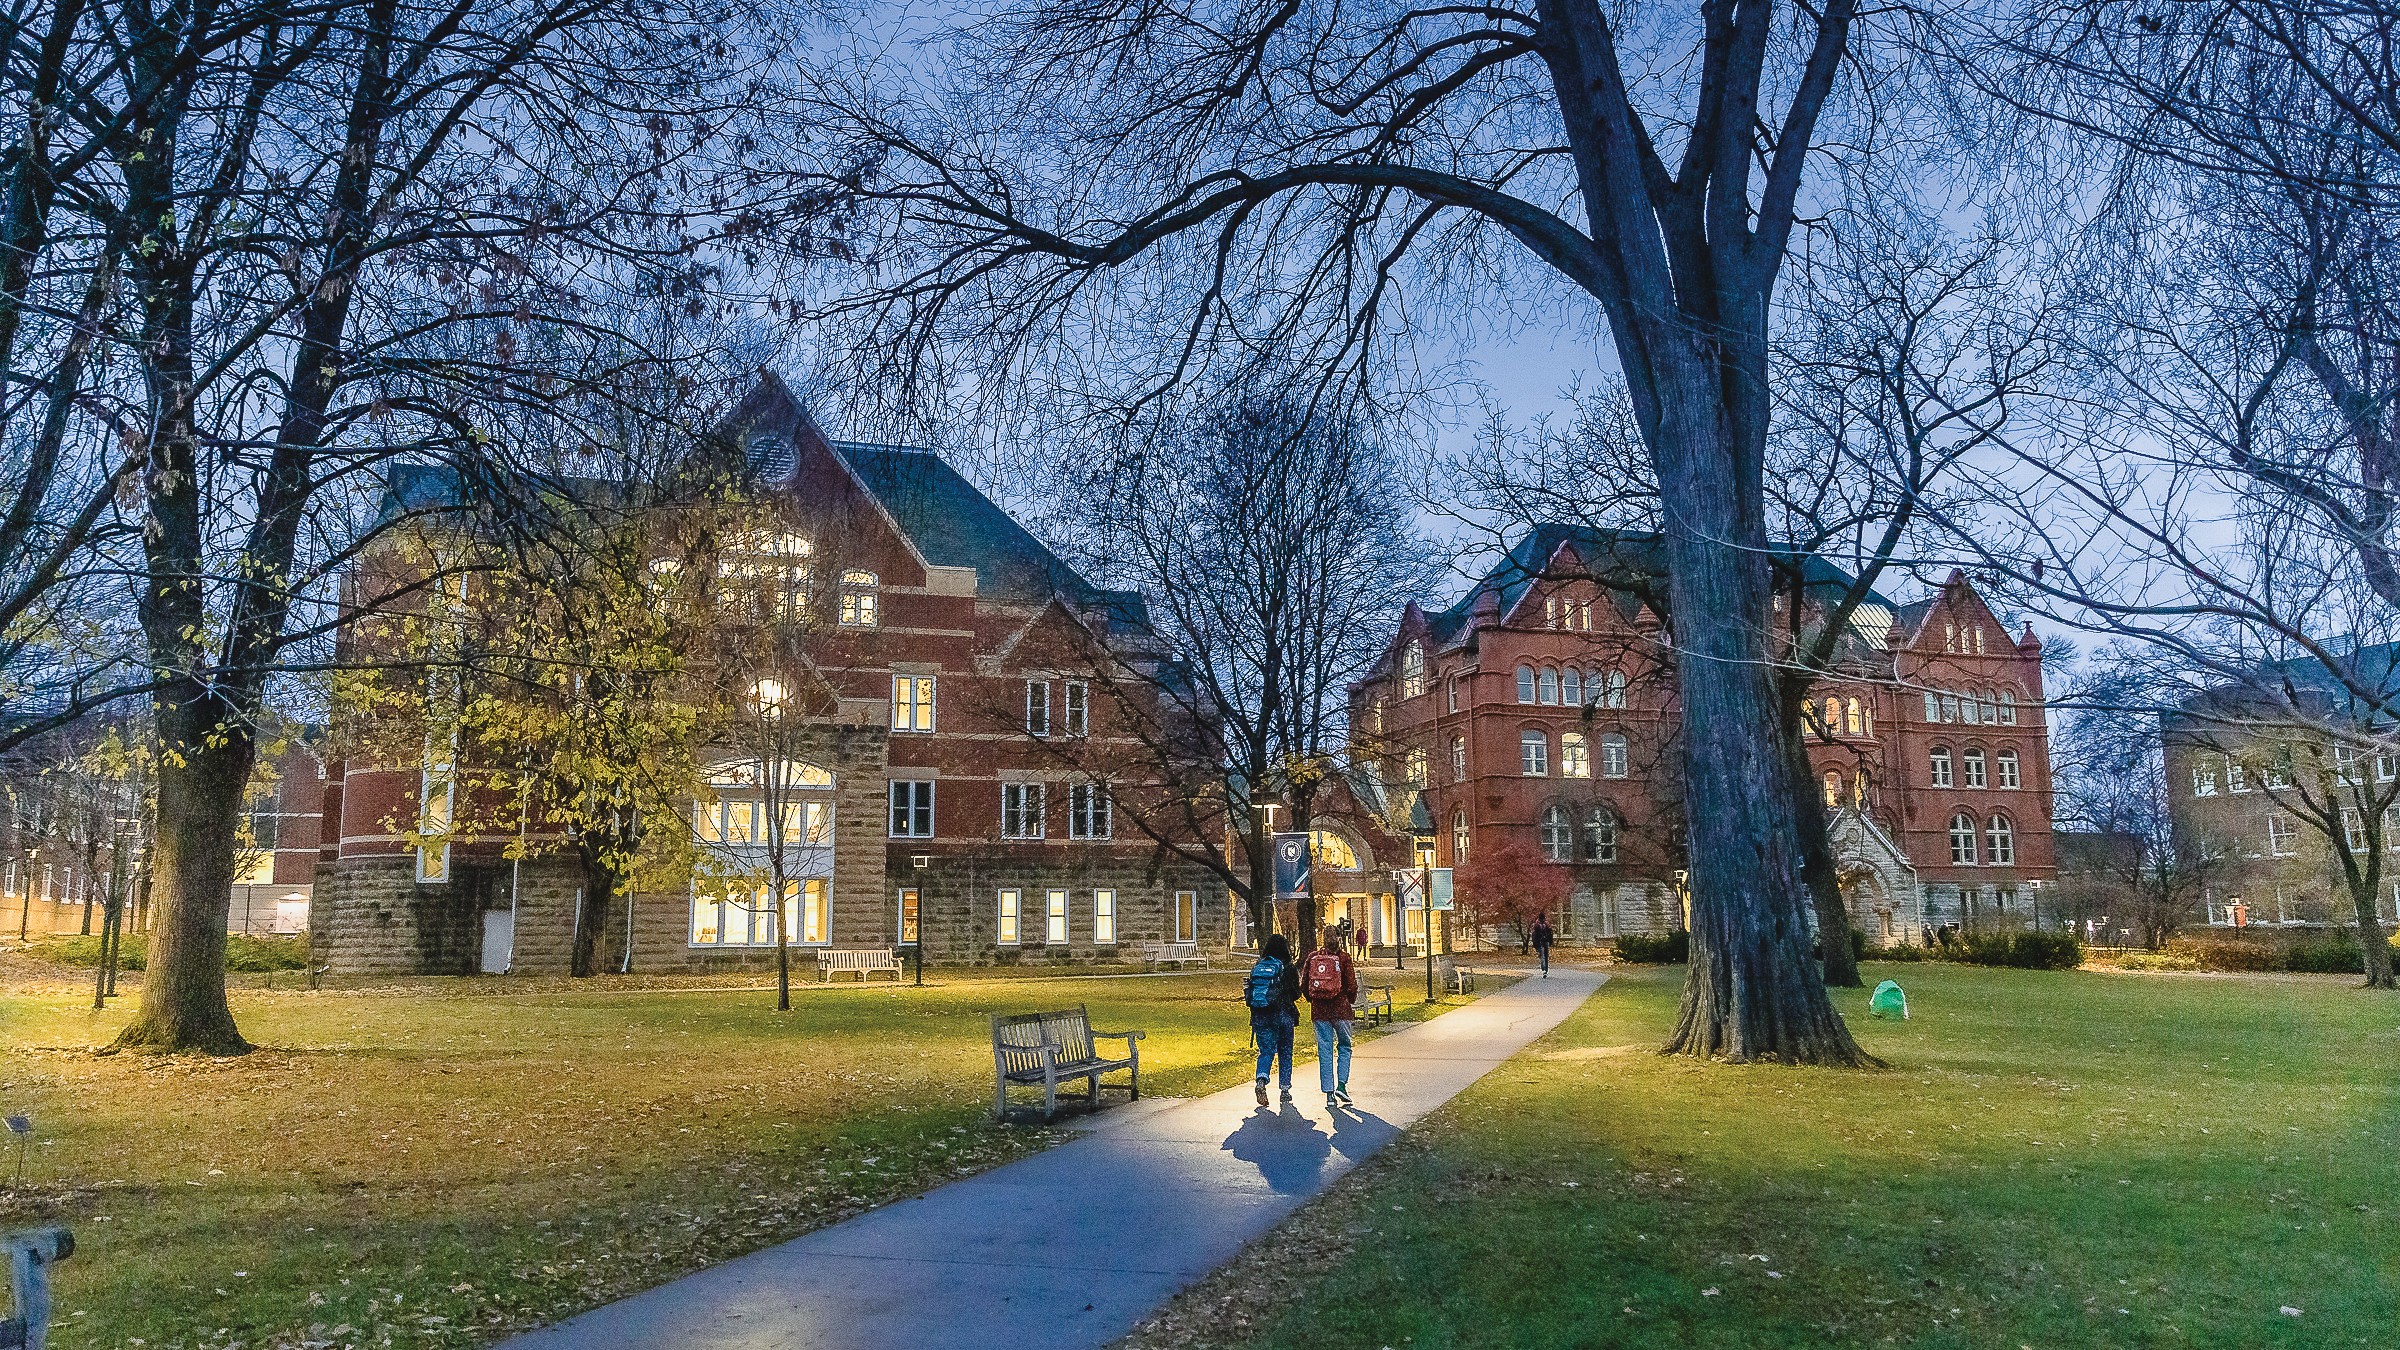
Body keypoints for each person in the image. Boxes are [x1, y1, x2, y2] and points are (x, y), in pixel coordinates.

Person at [1304, 925, 1360, 1109]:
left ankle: (1329, 1093)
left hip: (1320, 1011)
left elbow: (1304, 984)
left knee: (1325, 1050)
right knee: (1344, 1046)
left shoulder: (1313, 957)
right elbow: (1351, 985)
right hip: (1341, 1009)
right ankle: (1342, 1085)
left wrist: (1312, 999)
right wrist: (1348, 1000)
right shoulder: (1343, 958)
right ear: (1339, 937)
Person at [1245, 932, 1301, 1106]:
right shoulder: (1288, 967)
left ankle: (1261, 1080)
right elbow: (1296, 993)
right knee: (1285, 1051)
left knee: (1266, 1051)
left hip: (1261, 1015)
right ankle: (1285, 1089)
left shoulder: (1259, 966)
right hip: (1283, 1014)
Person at [1531, 912, 1555, 977]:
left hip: (1545, 941)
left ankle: (1545, 970)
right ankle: (1544, 969)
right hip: (1540, 942)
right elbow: (1535, 935)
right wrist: (1536, 944)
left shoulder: (1545, 925)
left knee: (1545, 956)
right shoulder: (1537, 925)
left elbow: (1550, 933)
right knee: (1543, 956)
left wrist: (1550, 941)